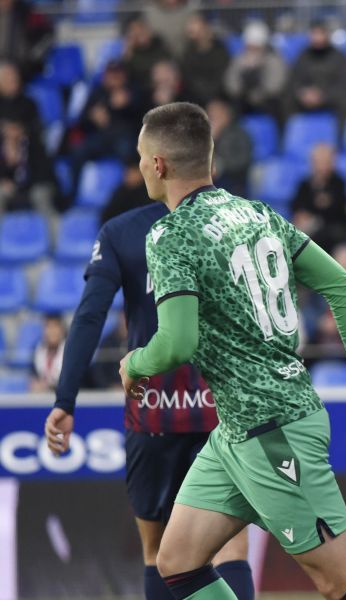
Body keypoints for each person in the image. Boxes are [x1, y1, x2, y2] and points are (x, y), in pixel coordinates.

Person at [118, 102, 346, 600]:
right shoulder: (257, 213)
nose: (142, 165)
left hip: (273, 431)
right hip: (236, 430)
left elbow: (177, 343)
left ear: (159, 165)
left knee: (343, 583)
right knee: (177, 562)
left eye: (144, 156)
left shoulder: (169, 234)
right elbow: (343, 286)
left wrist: (135, 363)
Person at [44, 200, 254, 599]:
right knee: (231, 544)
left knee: (157, 551)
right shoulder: (236, 219)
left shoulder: (122, 231)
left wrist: (65, 400)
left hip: (154, 409)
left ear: (155, 163)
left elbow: (91, 315)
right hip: (222, 409)